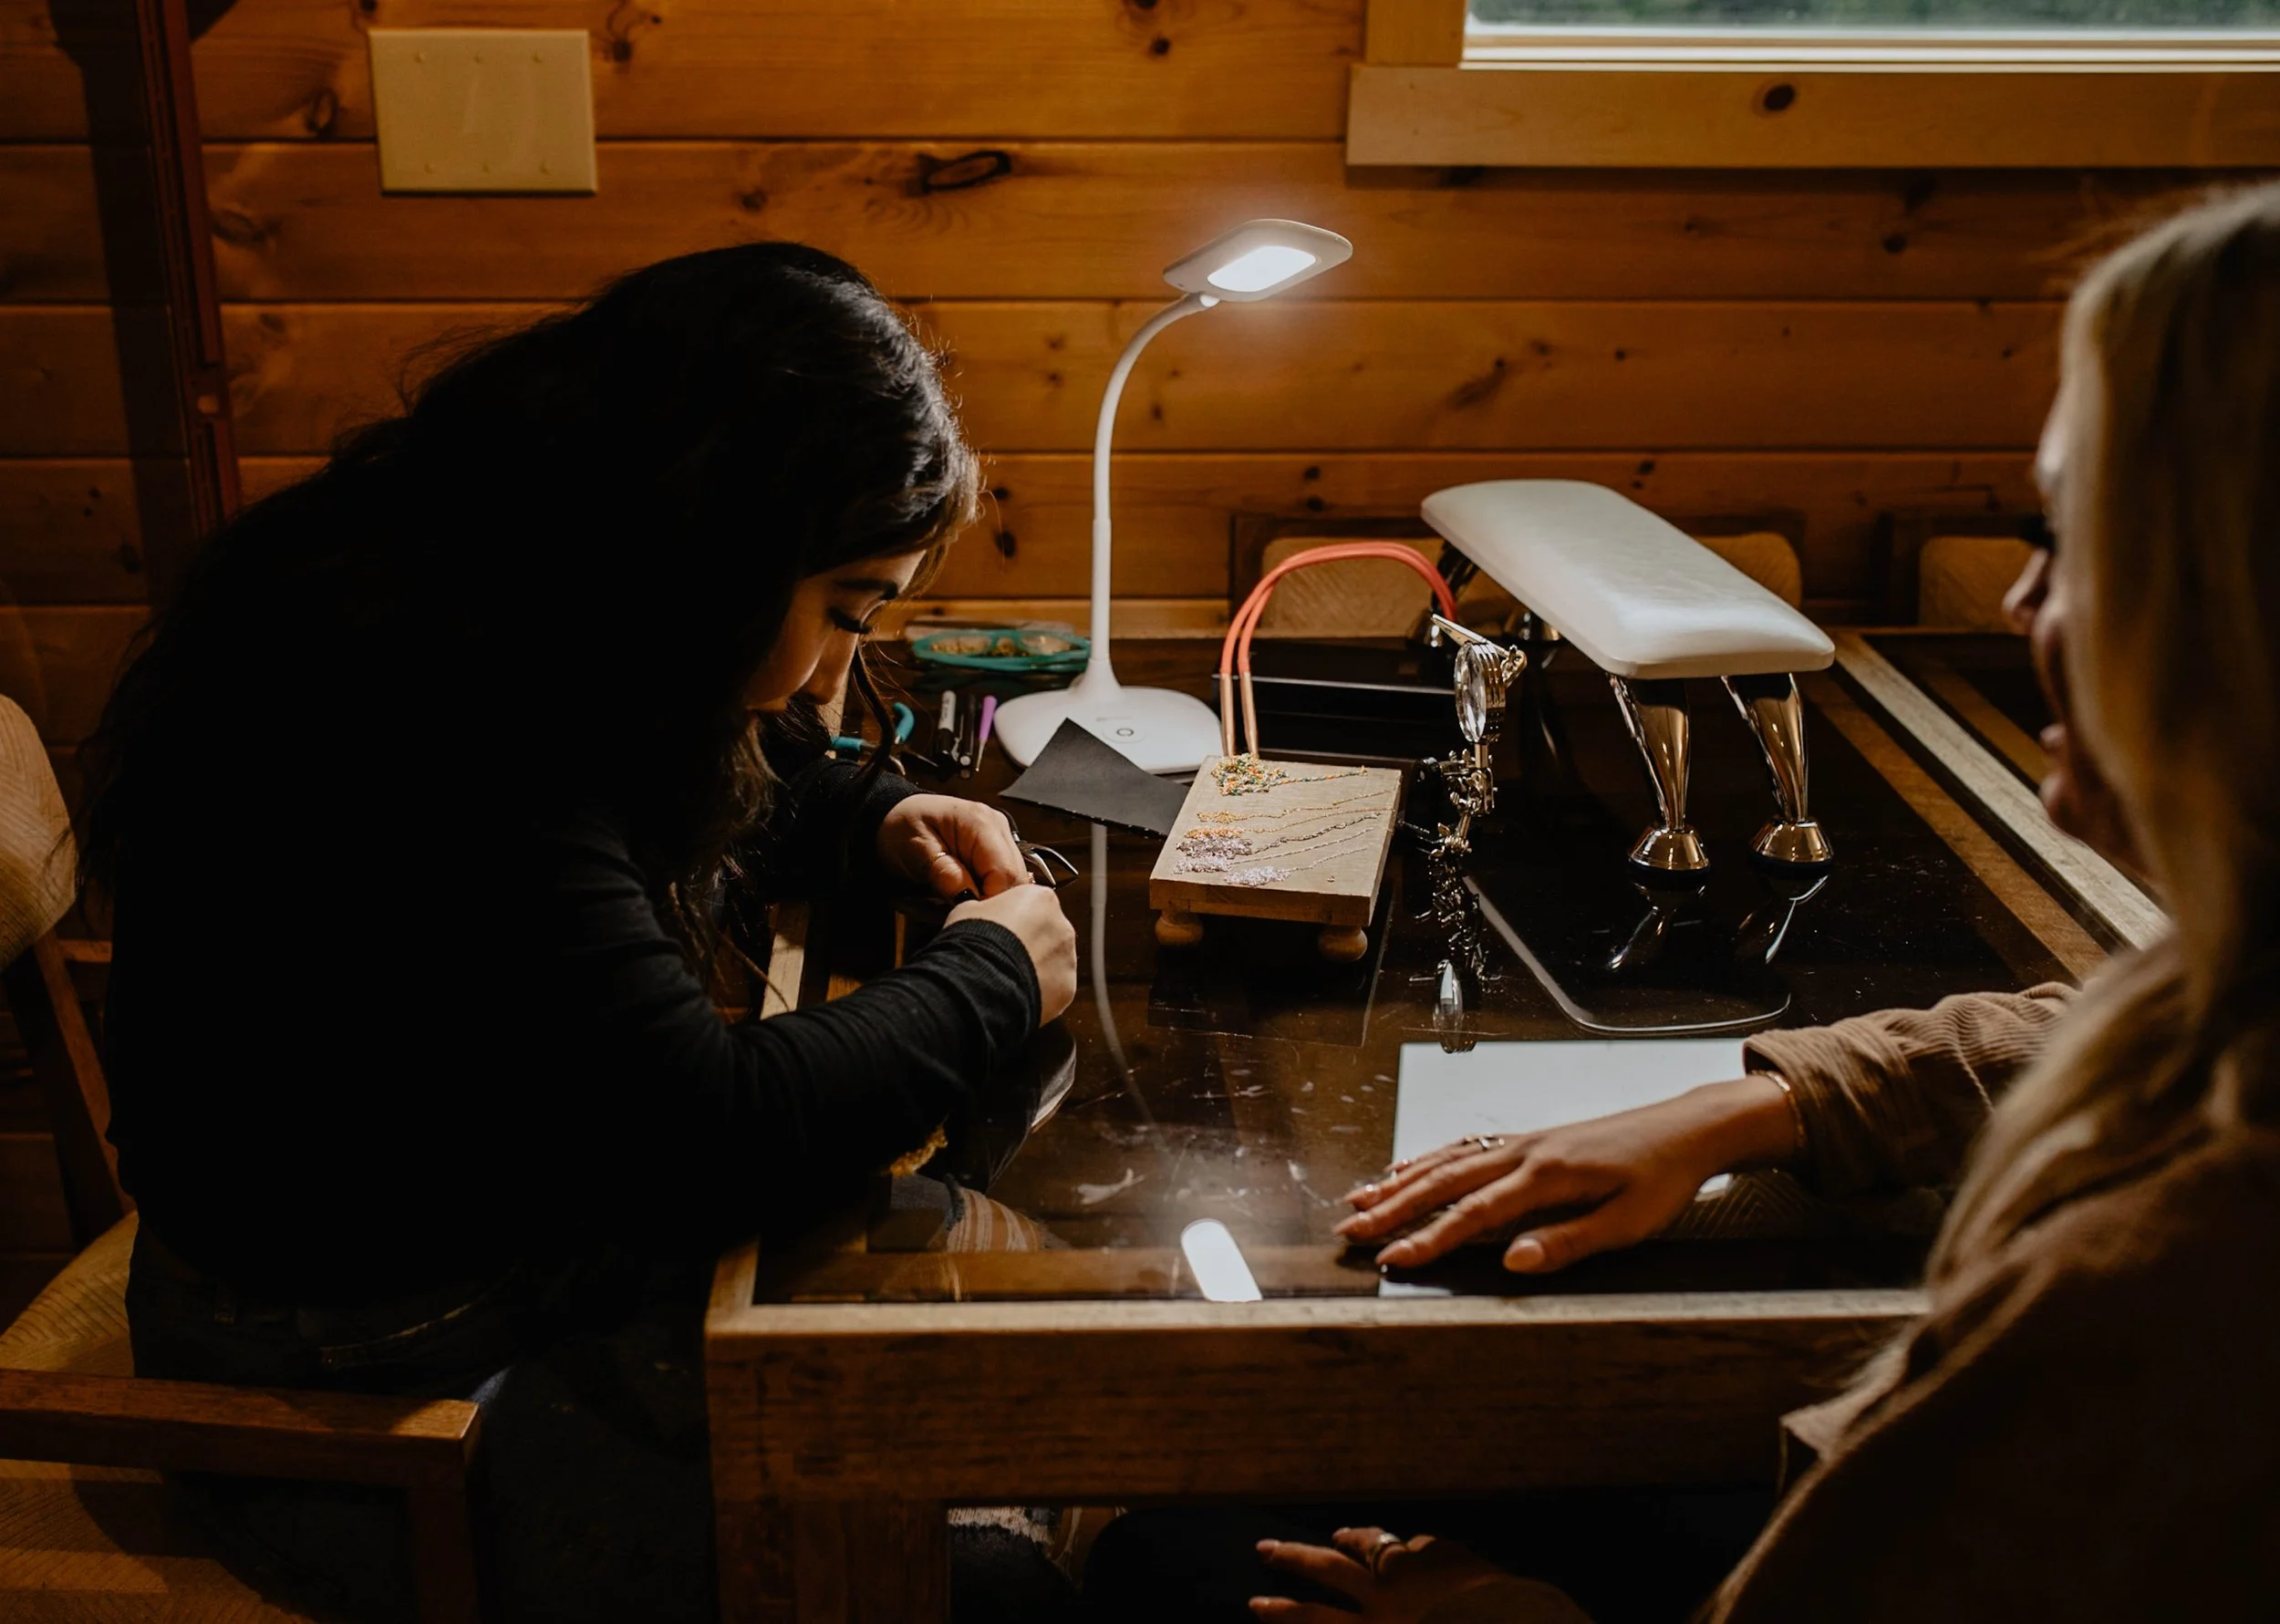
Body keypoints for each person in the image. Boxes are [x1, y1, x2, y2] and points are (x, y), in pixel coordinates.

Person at [1093, 184, 2280, 1621]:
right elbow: (2076, 1021)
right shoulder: (2223, 999)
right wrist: (1741, 1104)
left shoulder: (2172, 1282)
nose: (2026, 606)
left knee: (1176, 1552)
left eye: (2076, 538)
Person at [76, 243, 1079, 1622]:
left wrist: (870, 813)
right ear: (713, 544)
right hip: (352, 1373)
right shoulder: (434, 705)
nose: (831, 677)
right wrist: (996, 974)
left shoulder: (473, 580)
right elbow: (706, 1136)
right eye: (843, 608)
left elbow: (641, 802)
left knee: (993, 1307)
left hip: (426, 1249)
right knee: (974, 1555)